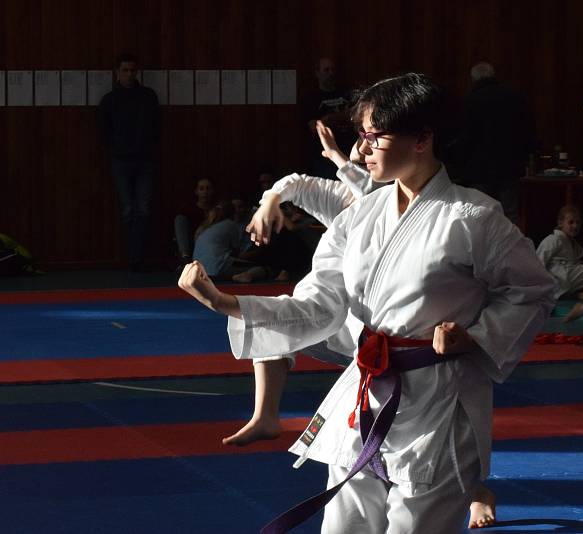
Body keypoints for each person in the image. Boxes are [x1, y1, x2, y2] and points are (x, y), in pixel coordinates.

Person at [179, 73, 555, 533]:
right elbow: (320, 306)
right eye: (360, 136)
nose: (360, 150)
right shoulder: (359, 217)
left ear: (422, 139)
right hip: (364, 395)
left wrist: (475, 337)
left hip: (439, 403)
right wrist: (231, 304)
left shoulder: (473, 217)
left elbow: (533, 290)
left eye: (373, 136)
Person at [98, 53, 160, 271]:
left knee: (142, 209)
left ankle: (138, 258)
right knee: (128, 210)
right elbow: (104, 131)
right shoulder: (110, 100)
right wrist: (117, 149)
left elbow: (157, 125)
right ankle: (132, 257)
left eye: (132, 70)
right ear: (118, 72)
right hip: (122, 160)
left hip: (144, 159)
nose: (129, 74)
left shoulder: (147, 96)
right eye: (125, 70)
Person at [450, 62, 534, 224]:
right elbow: (527, 131)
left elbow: (463, 138)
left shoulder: (469, 102)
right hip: (510, 166)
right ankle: (512, 249)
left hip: (479, 170)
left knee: (479, 213)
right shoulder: (514, 98)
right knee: (509, 214)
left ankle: (481, 250)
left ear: (473, 80)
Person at [302, 57, 355, 180]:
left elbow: (355, 115)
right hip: (323, 156)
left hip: (348, 152)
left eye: (332, 70)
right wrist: (342, 116)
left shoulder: (346, 93)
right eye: (326, 70)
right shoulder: (311, 98)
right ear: (317, 73)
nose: (331, 73)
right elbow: (314, 127)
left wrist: (329, 118)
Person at [536, 205, 583, 300]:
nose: (575, 226)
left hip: (566, 282)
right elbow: (538, 263)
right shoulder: (553, 239)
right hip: (559, 280)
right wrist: (539, 291)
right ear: (560, 223)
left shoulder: (573, 244)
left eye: (578, 222)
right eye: (571, 222)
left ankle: (577, 294)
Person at [191, 198, 253, 280]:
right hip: (217, 270)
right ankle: (236, 276)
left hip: (200, 272)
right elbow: (238, 252)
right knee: (264, 269)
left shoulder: (206, 227)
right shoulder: (231, 225)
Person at [174, 178, 215, 266]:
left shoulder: (217, 211)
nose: (205, 192)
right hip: (192, 248)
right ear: (196, 191)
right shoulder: (188, 211)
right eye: (201, 189)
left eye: (208, 188)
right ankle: (185, 262)